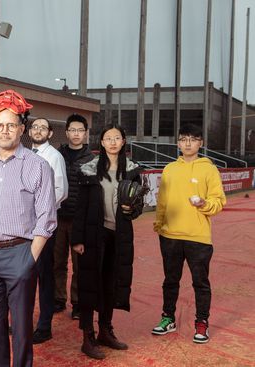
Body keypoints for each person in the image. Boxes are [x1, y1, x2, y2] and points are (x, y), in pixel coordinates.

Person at [0, 90, 57, 367]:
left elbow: (47, 217)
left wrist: (30, 258)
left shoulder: (38, 166)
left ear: (21, 129)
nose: (4, 130)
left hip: (19, 254)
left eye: (10, 125)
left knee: (20, 328)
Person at [71, 123, 144, 360]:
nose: (112, 142)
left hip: (120, 236)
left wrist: (131, 209)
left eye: (117, 138)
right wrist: (78, 239)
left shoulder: (132, 171)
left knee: (111, 284)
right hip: (94, 235)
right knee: (89, 284)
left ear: (124, 141)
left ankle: (105, 330)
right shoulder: (89, 170)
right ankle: (87, 336)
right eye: (108, 138)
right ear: (101, 142)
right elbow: (80, 207)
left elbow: (139, 205)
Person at [152, 123, 226, 344]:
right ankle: (168, 318)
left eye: (193, 139)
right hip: (170, 236)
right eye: (183, 139)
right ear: (178, 143)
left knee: (200, 283)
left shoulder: (209, 169)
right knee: (170, 280)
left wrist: (204, 204)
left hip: (198, 237)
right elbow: (162, 201)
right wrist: (159, 225)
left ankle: (201, 322)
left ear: (200, 143)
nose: (188, 143)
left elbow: (218, 201)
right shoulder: (169, 169)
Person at [28, 118, 68, 344]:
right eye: (35, 127)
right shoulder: (25, 154)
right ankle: (25, 322)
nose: (38, 130)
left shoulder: (54, 156)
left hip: (42, 226)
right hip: (23, 226)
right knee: (24, 276)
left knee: (44, 276)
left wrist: (39, 210)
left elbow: (60, 191)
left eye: (43, 127)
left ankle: (44, 326)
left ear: (50, 133)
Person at [54, 113, 94, 318]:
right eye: (73, 130)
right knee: (57, 261)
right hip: (59, 217)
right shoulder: (57, 155)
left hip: (81, 219)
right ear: (67, 132)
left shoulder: (92, 159)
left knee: (80, 265)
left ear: (85, 133)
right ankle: (58, 299)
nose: (76, 134)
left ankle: (78, 303)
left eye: (80, 130)